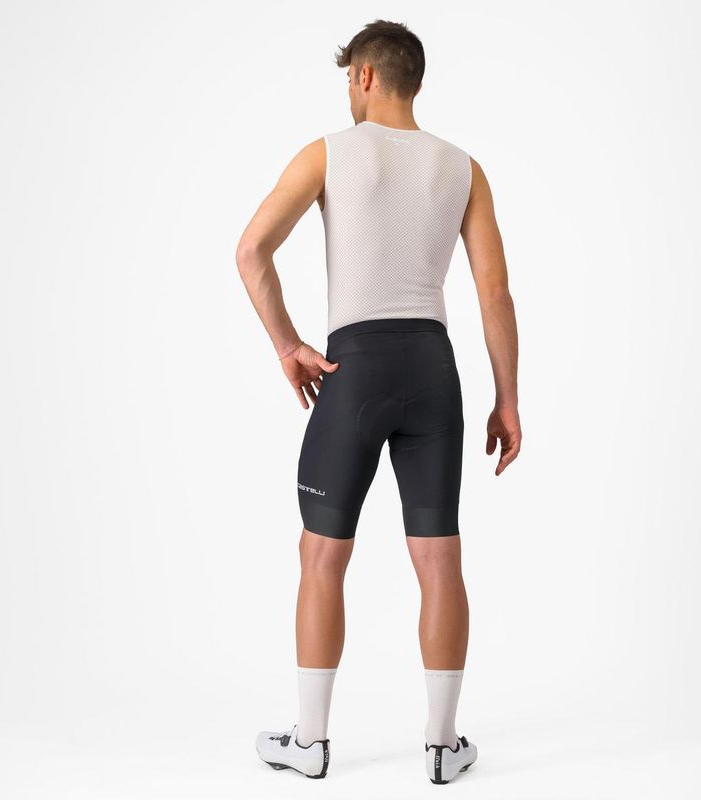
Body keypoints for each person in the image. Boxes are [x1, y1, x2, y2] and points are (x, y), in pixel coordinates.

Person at [235, 19, 521, 785]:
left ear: (364, 75)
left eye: (348, 78)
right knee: (439, 557)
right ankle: (442, 747)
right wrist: (507, 398)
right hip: (433, 370)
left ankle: (311, 743)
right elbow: (494, 292)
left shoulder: (327, 153)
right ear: (413, 80)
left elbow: (251, 250)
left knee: (322, 555)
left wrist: (288, 344)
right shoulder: (463, 168)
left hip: (354, 369)